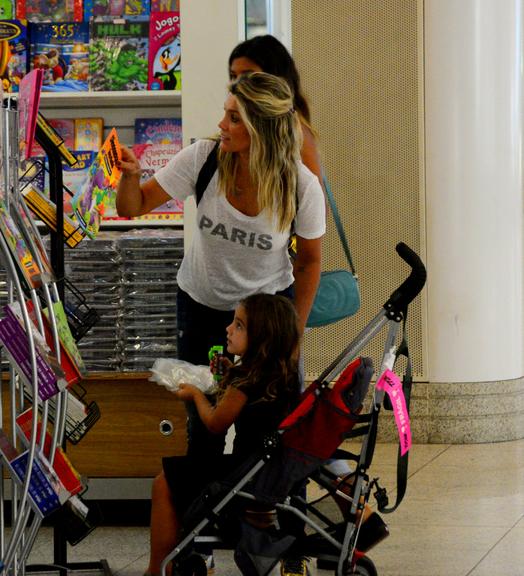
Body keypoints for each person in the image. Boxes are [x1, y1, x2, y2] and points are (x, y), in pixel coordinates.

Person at [117, 71, 325, 460]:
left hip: (265, 319)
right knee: (202, 425)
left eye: (233, 118)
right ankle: (204, 514)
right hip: (201, 308)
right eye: (225, 113)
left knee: (267, 427)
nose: (221, 125)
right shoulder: (204, 159)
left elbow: (310, 262)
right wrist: (131, 177)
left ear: (261, 128)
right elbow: (132, 206)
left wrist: (291, 337)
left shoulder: (301, 185)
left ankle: (264, 513)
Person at [145, 293, 302, 576]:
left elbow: (216, 423)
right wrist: (230, 375)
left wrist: (194, 395)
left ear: (262, 337)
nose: (228, 329)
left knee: (164, 482)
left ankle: (157, 569)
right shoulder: (284, 375)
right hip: (268, 470)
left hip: (242, 473)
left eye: (239, 325)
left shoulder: (246, 379)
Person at [228, 34, 322, 184]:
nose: (238, 85)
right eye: (233, 76)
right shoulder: (239, 126)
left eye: (248, 76)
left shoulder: (297, 132)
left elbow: (318, 202)